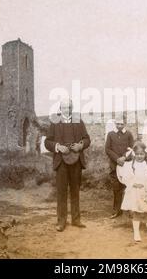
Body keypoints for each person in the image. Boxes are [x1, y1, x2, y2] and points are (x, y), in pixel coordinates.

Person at [44, 98, 91, 232]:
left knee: (75, 191)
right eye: (64, 107)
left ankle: (76, 220)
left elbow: (87, 139)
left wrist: (80, 145)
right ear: (60, 109)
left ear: (72, 108)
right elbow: (47, 142)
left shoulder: (78, 121)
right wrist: (58, 147)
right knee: (61, 192)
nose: (67, 110)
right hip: (61, 162)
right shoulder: (55, 123)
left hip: (76, 161)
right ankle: (61, 222)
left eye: (69, 107)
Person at [117, 141, 147, 242]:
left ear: (145, 154)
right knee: (136, 213)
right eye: (137, 154)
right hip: (135, 192)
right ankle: (136, 233)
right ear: (134, 154)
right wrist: (133, 184)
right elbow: (125, 178)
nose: (139, 156)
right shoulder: (130, 166)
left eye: (141, 154)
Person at [105, 117, 134, 219]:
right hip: (115, 165)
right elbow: (107, 149)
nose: (120, 126)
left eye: (121, 124)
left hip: (126, 165)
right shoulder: (110, 134)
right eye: (117, 124)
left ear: (125, 123)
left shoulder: (129, 134)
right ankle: (117, 210)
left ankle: (130, 209)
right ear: (115, 124)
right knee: (116, 188)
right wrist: (117, 159)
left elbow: (132, 148)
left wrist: (124, 157)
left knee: (128, 187)